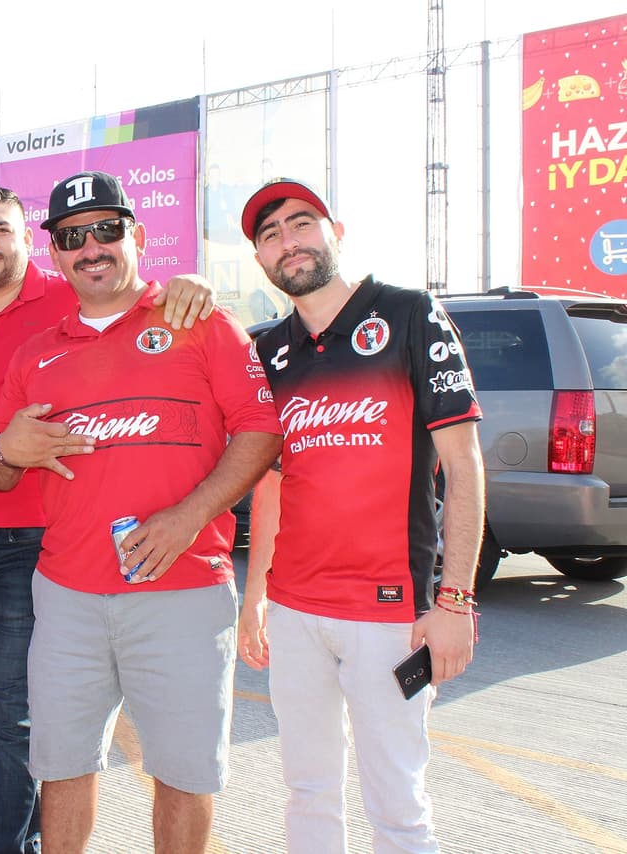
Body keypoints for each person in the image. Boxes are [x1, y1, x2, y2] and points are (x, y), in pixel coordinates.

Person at [0, 181, 217, 854]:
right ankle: (17, 832)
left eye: (0, 228)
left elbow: (133, 292)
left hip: (36, 543)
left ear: (26, 240)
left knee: (18, 716)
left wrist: (191, 280)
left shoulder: (67, 291)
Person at [0, 172, 282, 854]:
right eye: (72, 236)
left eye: (106, 230)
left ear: (137, 237)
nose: (91, 247)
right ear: (54, 252)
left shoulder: (197, 320)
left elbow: (261, 429)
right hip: (67, 596)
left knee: (183, 773)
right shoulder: (36, 352)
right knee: (63, 765)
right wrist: (4, 448)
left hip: (183, 591)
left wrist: (188, 517)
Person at [235, 178, 485, 853]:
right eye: (270, 234)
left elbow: (463, 466)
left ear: (335, 233)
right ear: (260, 259)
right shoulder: (269, 351)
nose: (289, 241)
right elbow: (274, 481)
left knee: (398, 805)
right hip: (294, 612)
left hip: (391, 616)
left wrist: (455, 601)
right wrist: (255, 593)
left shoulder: (408, 314)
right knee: (308, 795)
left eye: (301, 223)